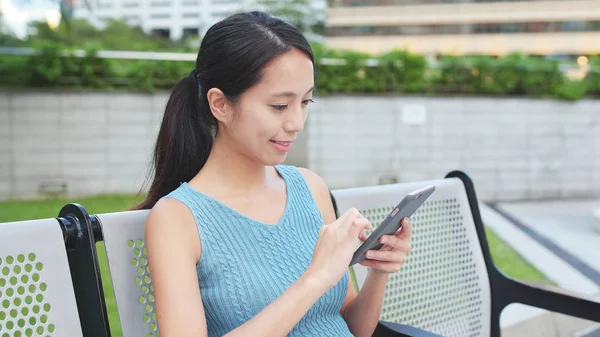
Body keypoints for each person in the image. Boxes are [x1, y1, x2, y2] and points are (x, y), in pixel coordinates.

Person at [135, 11, 413, 337]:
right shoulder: (178, 218)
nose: (297, 122)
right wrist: (316, 277)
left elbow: (352, 327)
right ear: (221, 105)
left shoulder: (310, 188)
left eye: (306, 102)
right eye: (280, 106)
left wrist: (378, 272)